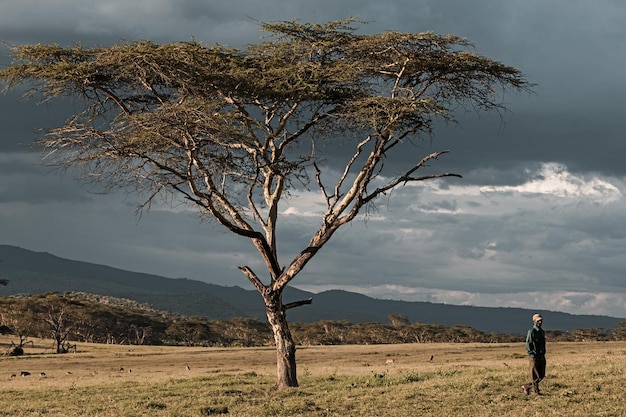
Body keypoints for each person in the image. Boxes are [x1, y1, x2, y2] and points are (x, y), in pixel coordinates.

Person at [521, 313, 546, 395]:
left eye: (541, 320)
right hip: (534, 356)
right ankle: (536, 392)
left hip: (541, 355)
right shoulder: (531, 331)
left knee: (542, 375)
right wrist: (531, 354)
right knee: (536, 375)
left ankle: (527, 386)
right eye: (538, 321)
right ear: (534, 321)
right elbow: (528, 343)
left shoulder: (542, 332)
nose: (540, 322)